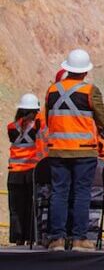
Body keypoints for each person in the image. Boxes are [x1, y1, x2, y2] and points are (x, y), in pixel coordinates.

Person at [44, 49, 104, 252]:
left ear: (67, 68)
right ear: (85, 72)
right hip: (84, 152)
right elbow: (103, 123)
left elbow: (49, 119)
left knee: (59, 193)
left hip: (58, 151)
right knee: (81, 194)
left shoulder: (51, 91)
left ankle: (57, 240)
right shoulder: (90, 91)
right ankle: (79, 239)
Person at [7, 94, 46, 246]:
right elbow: (43, 120)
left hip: (14, 173)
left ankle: (18, 238)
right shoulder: (36, 125)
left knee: (16, 208)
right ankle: (31, 237)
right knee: (31, 206)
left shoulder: (12, 127)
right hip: (31, 171)